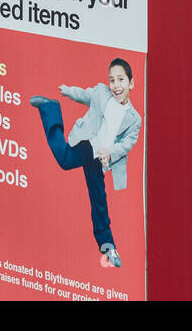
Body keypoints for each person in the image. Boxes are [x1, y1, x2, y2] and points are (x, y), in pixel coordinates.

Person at [30, 58, 142, 268]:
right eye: (112, 80)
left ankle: (107, 244)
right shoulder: (102, 93)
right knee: (64, 159)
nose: (116, 85)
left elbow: (127, 143)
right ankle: (50, 108)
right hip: (88, 144)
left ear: (131, 83)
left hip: (102, 158)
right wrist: (68, 91)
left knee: (98, 197)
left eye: (121, 80)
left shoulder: (135, 119)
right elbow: (85, 95)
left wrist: (110, 154)